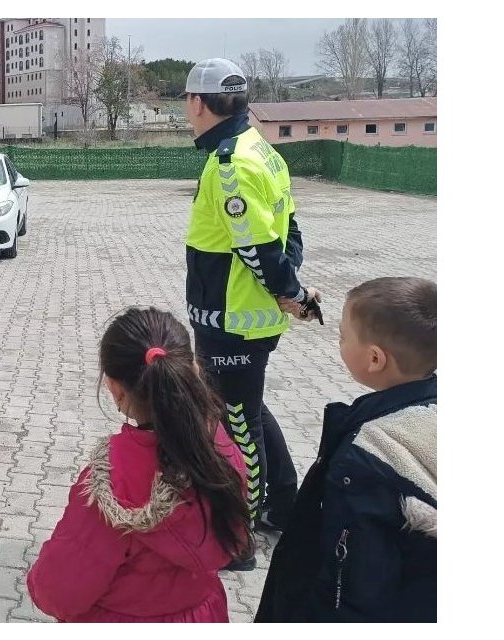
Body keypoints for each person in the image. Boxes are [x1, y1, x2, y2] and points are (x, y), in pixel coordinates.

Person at [181, 58, 321, 564]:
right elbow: (293, 230)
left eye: (186, 102)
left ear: (198, 103)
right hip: (250, 319)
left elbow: (260, 250)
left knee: (237, 428)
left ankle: (238, 538)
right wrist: (291, 290)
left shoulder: (231, 163)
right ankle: (284, 507)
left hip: (233, 323)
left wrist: (290, 291)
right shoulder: (262, 149)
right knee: (251, 413)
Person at [26, 307, 250, 622]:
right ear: (193, 371)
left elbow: (60, 591)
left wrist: (36, 581)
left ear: (116, 391)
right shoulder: (219, 450)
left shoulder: (111, 481)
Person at [256, 277, 437, 622]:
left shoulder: (366, 460)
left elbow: (350, 584)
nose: (339, 342)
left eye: (342, 336)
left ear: (374, 358)